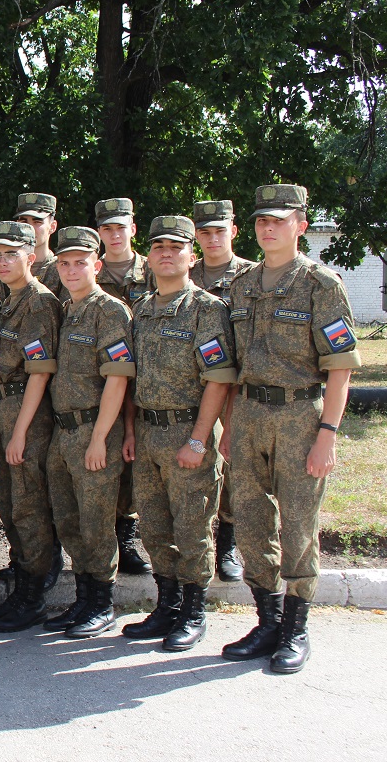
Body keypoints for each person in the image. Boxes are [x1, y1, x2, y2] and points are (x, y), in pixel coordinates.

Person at [221, 184, 361, 674]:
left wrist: (328, 433)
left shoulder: (320, 284)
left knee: (298, 523)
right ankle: (268, 621)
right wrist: (229, 425)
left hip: (301, 416)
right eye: (261, 220)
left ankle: (296, 629)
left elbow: (340, 367)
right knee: (251, 519)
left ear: (301, 224)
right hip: (250, 414)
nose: (268, 228)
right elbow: (232, 365)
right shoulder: (242, 284)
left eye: (279, 220)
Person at [122, 216, 236, 651]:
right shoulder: (143, 310)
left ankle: (193, 611)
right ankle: (167, 605)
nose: (166, 254)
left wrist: (198, 438)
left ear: (192, 256)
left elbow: (218, 378)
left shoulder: (207, 309)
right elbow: (132, 380)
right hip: (148, 432)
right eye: (158, 248)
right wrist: (131, 429)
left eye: (175, 247)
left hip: (187, 432)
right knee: (154, 525)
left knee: (192, 526)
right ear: (149, 257)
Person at [42, 226, 135, 638]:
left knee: (96, 521)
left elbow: (117, 379)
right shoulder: (66, 308)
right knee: (69, 519)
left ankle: (102, 603)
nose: (71, 269)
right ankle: (83, 598)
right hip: (64, 432)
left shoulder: (109, 311)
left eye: (80, 262)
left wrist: (99, 438)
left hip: (94, 430)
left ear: (97, 265)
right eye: (64, 263)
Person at [0, 221, 63, 633]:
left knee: (29, 507)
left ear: (31, 256)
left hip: (25, 415)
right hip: (4, 409)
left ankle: (33, 598)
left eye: (12, 254)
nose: (3, 261)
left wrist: (21, 431)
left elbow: (40, 373)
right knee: (10, 506)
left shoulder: (39, 302)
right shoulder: (8, 300)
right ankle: (21, 590)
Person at [191, 199, 256, 583]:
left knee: (230, 462)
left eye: (219, 230)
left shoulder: (249, 276)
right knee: (199, 465)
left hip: (238, 386)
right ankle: (201, 540)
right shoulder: (186, 270)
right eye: (205, 232)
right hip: (192, 385)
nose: (212, 238)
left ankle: (227, 541)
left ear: (233, 231)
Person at [94, 197, 153, 576]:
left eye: (121, 227)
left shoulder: (157, 267)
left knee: (133, 463)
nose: (114, 235)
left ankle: (126, 537)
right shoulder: (84, 270)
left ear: (133, 228)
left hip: (149, 379)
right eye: (107, 228)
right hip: (97, 381)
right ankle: (102, 543)